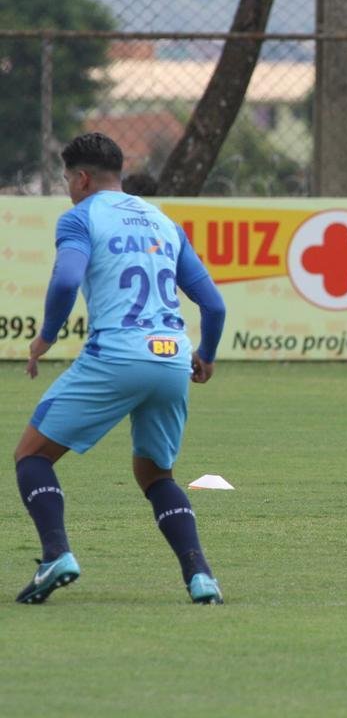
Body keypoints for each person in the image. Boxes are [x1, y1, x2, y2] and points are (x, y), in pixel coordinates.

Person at [12, 133, 227, 604]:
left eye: (68, 178)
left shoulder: (80, 217)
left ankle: (56, 555)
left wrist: (46, 336)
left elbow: (67, 277)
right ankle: (201, 576)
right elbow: (213, 304)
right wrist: (205, 355)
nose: (69, 187)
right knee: (156, 477)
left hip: (117, 355)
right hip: (172, 359)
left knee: (31, 456)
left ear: (83, 178)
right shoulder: (164, 222)